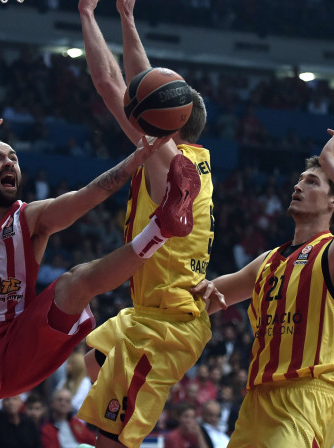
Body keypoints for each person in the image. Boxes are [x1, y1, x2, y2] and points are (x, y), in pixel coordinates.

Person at [0, 117, 199, 448]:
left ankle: (161, 229)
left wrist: (135, 159)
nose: (9, 161)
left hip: (19, 340)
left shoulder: (30, 217)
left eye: (14, 158)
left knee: (75, 281)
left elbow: (87, 196)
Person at [192, 119, 334, 447]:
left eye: (311, 182)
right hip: (256, 399)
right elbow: (206, 298)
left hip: (306, 396)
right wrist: (203, 289)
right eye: (299, 181)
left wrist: (330, 163)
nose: (298, 187)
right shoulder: (266, 262)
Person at [77, 0, 218, 446]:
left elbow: (110, 84)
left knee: (106, 440)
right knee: (95, 358)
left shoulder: (168, 164)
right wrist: (126, 17)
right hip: (152, 311)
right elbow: (138, 84)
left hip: (166, 324)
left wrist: (85, 13)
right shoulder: (189, 161)